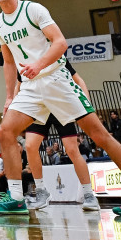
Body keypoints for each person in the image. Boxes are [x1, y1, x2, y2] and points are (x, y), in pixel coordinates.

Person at [0, 0, 121, 216]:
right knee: (5, 131)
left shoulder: (33, 10)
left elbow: (60, 43)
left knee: (100, 136)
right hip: (31, 87)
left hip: (56, 79)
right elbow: (9, 62)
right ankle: (16, 197)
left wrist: (39, 65)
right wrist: (9, 96)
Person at [21, 59, 101, 211]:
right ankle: (41, 191)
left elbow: (78, 80)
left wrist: (86, 103)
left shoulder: (56, 56)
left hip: (60, 105)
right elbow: (19, 85)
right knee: (30, 146)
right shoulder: (25, 57)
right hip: (39, 107)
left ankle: (89, 194)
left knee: (72, 150)